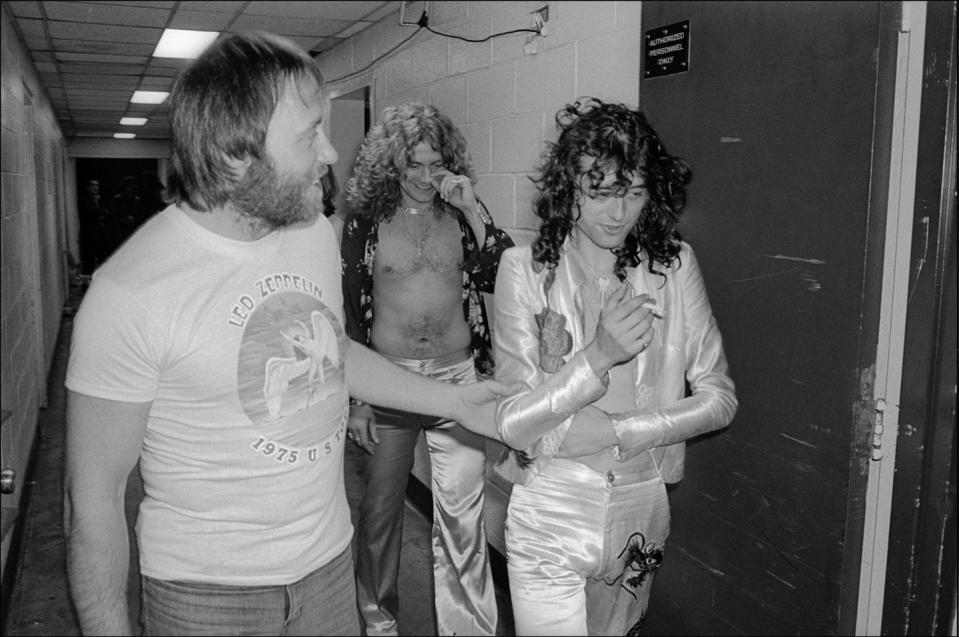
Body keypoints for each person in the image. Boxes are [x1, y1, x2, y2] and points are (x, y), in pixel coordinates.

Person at [63, 33, 508, 637]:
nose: (330, 152)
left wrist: (454, 401)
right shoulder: (130, 295)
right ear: (237, 156)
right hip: (205, 597)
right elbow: (92, 506)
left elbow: (331, 348)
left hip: (326, 572)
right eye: (309, 134)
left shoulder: (309, 234)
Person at [491, 98, 738, 635]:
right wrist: (597, 356)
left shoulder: (673, 267)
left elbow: (719, 398)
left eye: (633, 192)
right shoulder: (524, 273)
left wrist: (624, 431)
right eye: (599, 193)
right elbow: (513, 423)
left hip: (640, 502)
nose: (618, 212)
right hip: (551, 505)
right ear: (568, 188)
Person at [341, 102, 514, 637]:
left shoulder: (463, 214)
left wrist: (474, 211)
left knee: (464, 521)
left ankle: (469, 629)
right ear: (390, 165)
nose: (423, 177)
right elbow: (349, 311)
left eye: (434, 164)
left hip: (457, 379)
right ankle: (379, 623)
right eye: (411, 165)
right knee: (379, 517)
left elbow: (504, 276)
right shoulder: (365, 223)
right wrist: (359, 397)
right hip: (389, 381)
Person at [77, 178, 109, 274]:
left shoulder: (99, 199)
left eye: (97, 185)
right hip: (89, 237)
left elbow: (106, 213)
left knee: (102, 262)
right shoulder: (85, 200)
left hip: (100, 235)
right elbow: (92, 213)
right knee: (88, 264)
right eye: (93, 185)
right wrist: (101, 213)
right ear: (88, 188)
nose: (96, 188)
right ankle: (86, 287)